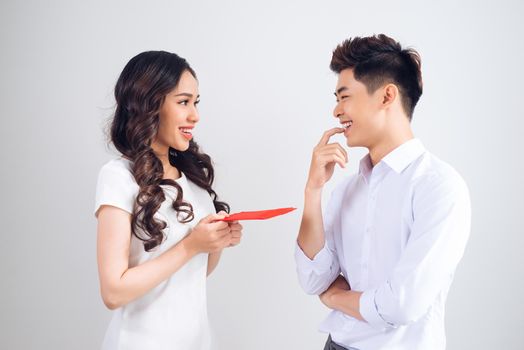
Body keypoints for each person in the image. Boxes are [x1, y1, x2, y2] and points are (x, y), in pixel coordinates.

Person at [295, 34, 471, 350]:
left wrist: (336, 296)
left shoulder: (440, 186)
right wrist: (313, 190)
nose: (336, 111)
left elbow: (401, 304)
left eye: (344, 96)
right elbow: (313, 279)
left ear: (387, 96)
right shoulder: (346, 190)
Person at [94, 51, 242, 350]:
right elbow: (113, 292)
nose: (195, 116)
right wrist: (192, 245)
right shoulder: (118, 177)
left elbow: (196, 272)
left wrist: (217, 241)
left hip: (198, 341)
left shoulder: (193, 179)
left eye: (196, 102)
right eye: (183, 102)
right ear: (150, 104)